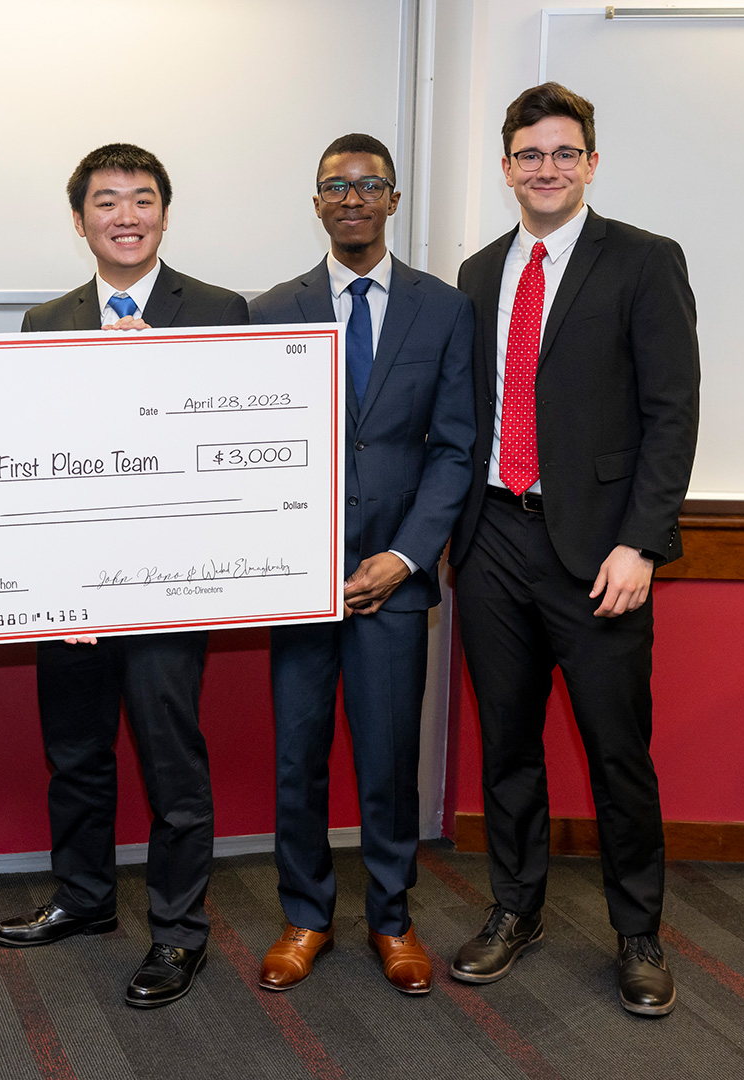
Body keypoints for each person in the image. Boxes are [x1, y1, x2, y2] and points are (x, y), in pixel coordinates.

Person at [448, 82, 699, 1016]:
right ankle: (517, 909)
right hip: (491, 540)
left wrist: (642, 543)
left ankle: (639, 931)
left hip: (600, 556)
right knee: (508, 745)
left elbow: (673, 415)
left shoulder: (642, 260)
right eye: (528, 154)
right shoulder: (477, 274)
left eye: (563, 153)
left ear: (591, 162)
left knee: (615, 752)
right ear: (505, 166)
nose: (545, 169)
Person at [0, 144, 248, 1008]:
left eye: (142, 200)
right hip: (70, 589)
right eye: (106, 202)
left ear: (165, 215)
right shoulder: (46, 322)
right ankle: (85, 898)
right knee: (76, 753)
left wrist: (156, 377)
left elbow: (233, 455)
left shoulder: (218, 312)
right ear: (79, 222)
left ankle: (177, 934)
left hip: (173, 586)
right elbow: (30, 457)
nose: (125, 216)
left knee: (173, 766)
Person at [248, 134, 474, 995]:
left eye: (369, 184)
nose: (352, 198)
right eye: (335, 186)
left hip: (395, 580)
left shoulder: (442, 309)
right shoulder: (274, 308)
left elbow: (454, 449)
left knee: (386, 760)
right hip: (298, 580)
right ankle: (305, 916)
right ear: (316, 202)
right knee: (297, 760)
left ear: (393, 199)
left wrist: (404, 556)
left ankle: (392, 917)